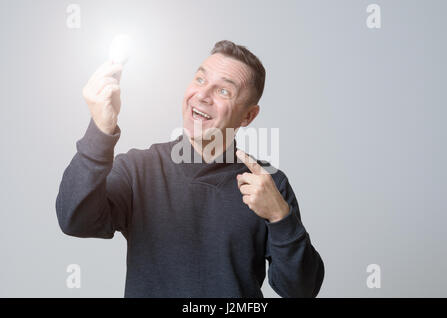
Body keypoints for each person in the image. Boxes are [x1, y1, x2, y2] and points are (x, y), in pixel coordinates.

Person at [56, 40, 324, 298]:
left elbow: (301, 290)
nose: (203, 95)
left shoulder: (267, 184)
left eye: (223, 91)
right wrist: (100, 131)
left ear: (248, 116)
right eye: (200, 79)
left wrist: (280, 218)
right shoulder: (139, 169)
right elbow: (75, 220)